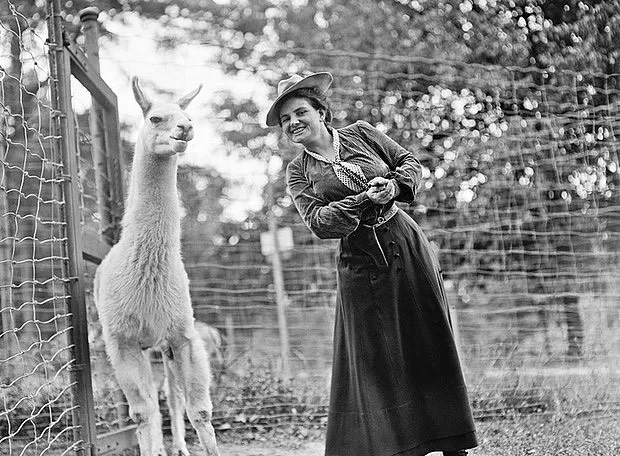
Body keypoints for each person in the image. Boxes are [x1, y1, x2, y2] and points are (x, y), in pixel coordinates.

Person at [266, 72, 478, 456]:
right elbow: (319, 221)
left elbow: (407, 161)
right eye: (285, 120)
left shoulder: (362, 133)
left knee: (427, 338)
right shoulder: (298, 172)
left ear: (321, 112)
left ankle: (451, 443)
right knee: (374, 357)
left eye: (300, 112)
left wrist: (394, 187)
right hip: (359, 262)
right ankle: (399, 445)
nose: (294, 122)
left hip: (403, 243)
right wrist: (366, 198)